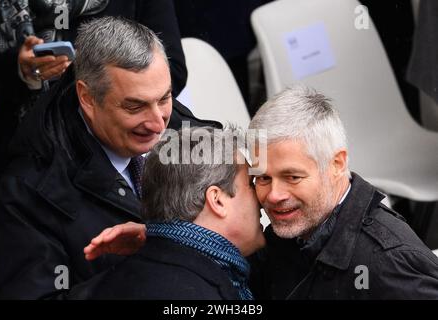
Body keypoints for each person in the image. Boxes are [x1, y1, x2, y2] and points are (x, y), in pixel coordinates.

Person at [86, 86, 438, 299]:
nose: (272, 196)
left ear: (336, 164)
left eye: (292, 176)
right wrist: (161, 240)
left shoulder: (388, 264)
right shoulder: (289, 234)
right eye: (263, 178)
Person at [0, 16, 218, 300]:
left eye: (164, 98)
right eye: (135, 106)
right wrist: (149, 265)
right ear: (87, 97)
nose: (157, 123)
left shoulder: (194, 138)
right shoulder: (29, 192)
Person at [0, 0, 187, 181]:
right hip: (23, 155)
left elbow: (173, 70)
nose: (156, 121)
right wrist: (20, 70)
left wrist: (108, 77)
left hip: (114, 155)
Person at [72, 126, 265, 299]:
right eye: (250, 184)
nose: (262, 199)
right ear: (217, 200)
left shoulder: (128, 275)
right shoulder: (191, 292)